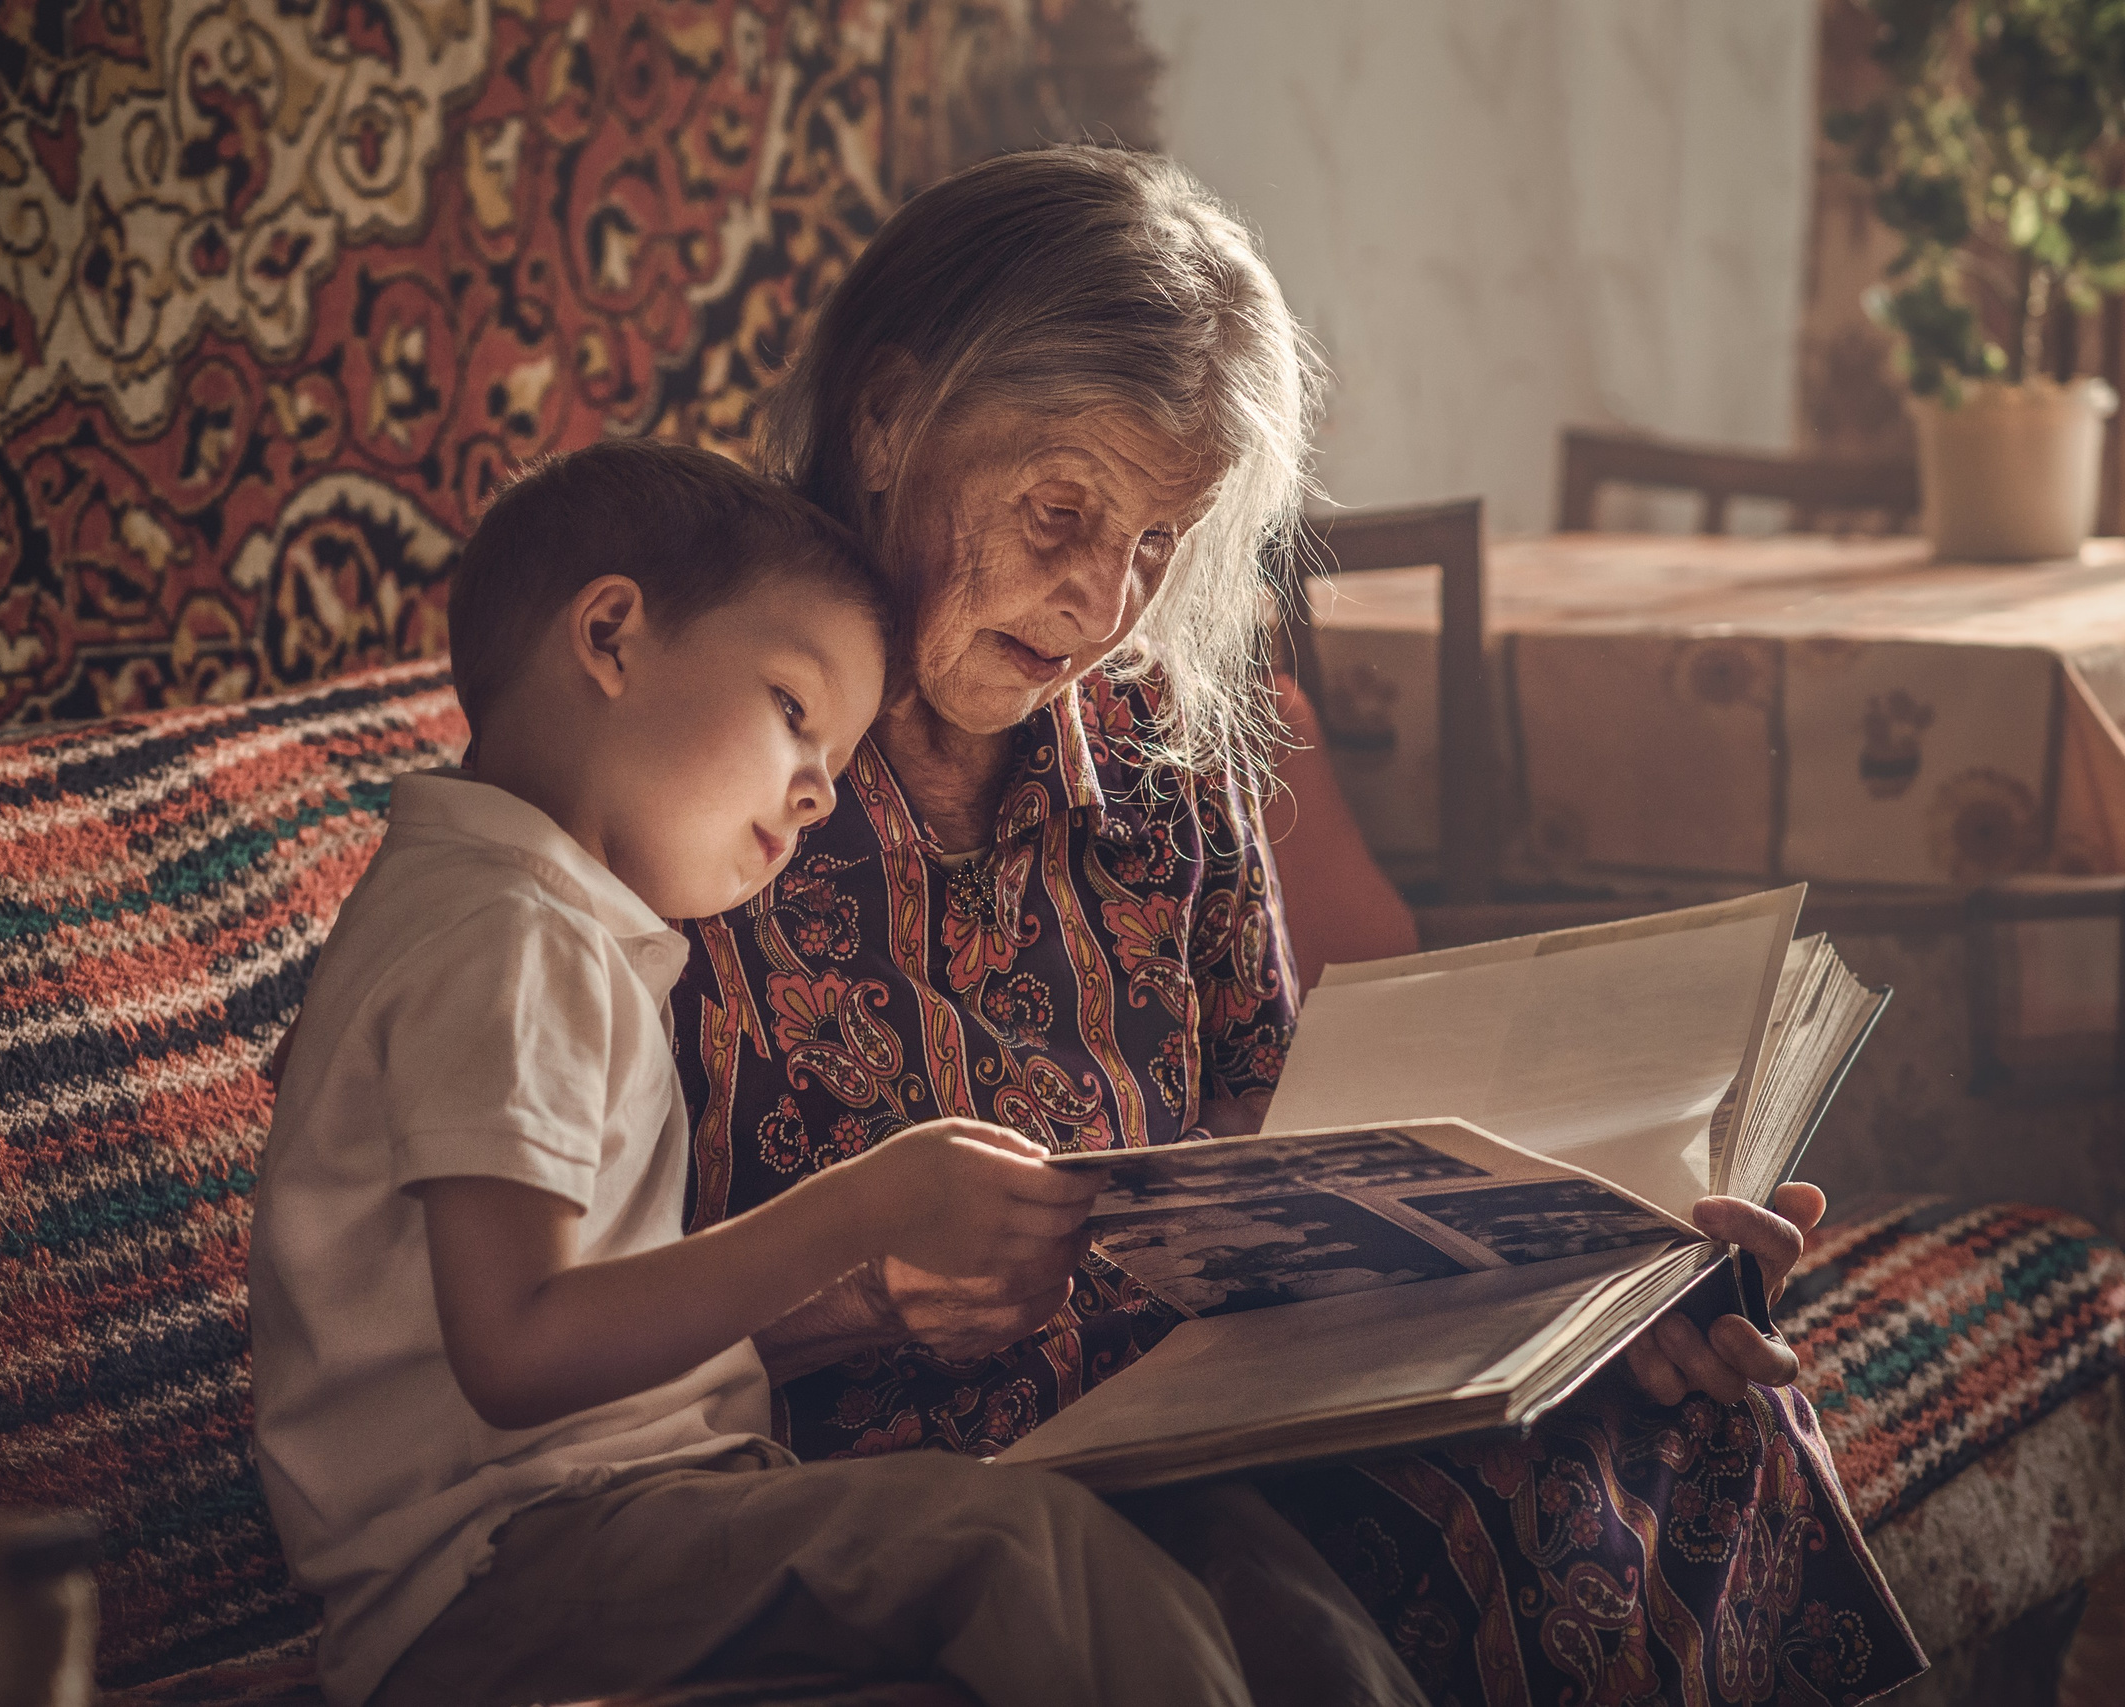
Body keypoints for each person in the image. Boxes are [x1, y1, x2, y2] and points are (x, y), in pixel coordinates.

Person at [672, 146, 1927, 1704]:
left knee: (1683, 1416)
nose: (1101, 603)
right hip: (880, 1481)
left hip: (1192, 1408)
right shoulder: (692, 747)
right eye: (1061, 506)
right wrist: (864, 1293)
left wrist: (1599, 1270)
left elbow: (1272, 1123)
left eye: (1155, 542)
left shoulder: (1159, 753)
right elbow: (535, 1329)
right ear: (884, 421)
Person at [247, 439, 1269, 1707]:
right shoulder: (509, 941)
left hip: (602, 1547)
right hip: (508, 1568)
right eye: (793, 714)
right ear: (612, 636)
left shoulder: (499, 916)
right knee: (1018, 1546)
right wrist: (866, 1208)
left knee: (1209, 1574)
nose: (806, 802)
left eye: (832, 768)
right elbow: (515, 1351)